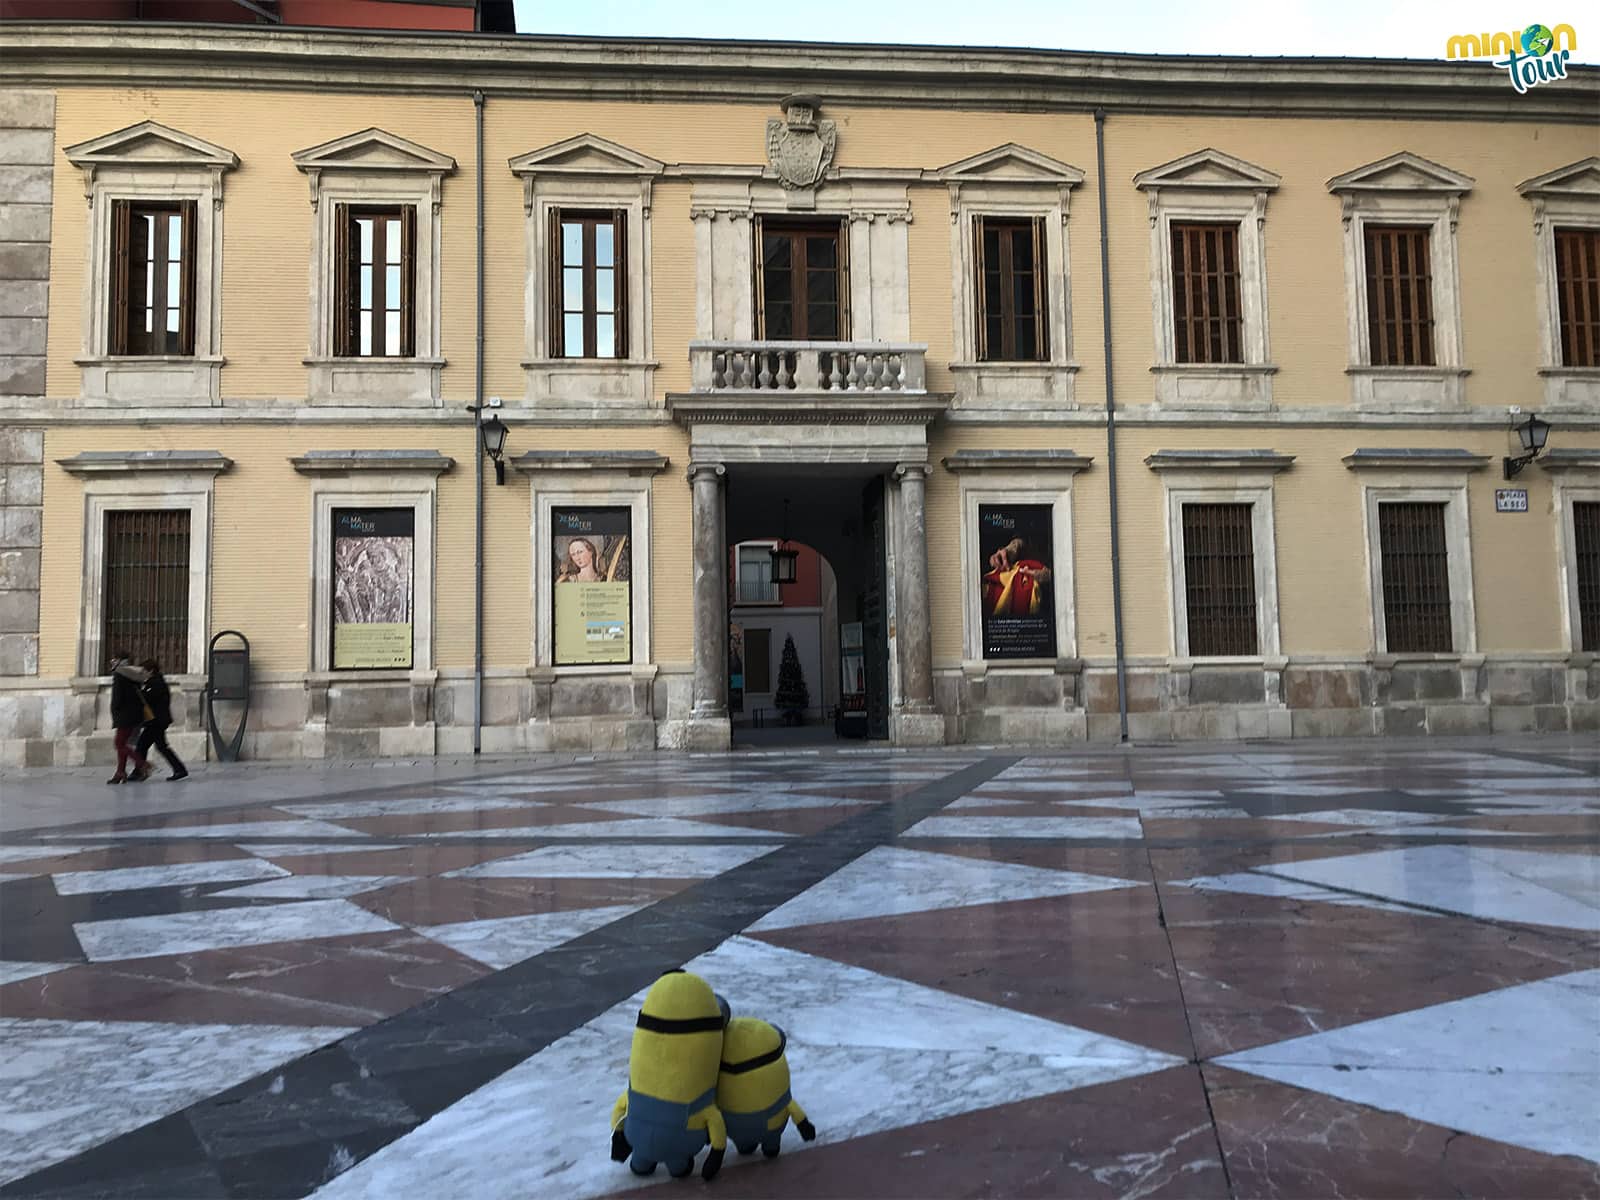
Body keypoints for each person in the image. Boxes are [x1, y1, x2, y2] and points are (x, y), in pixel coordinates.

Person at [136, 658, 188, 782]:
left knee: (143, 746)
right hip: (155, 721)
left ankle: (139, 772)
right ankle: (179, 769)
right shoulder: (152, 682)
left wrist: (139, 692)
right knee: (157, 746)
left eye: (144, 671)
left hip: (156, 721)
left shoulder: (156, 683)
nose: (142, 674)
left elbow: (148, 699)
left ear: (151, 671)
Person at [106, 651, 151, 784]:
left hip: (124, 715)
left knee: (119, 743)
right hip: (135, 714)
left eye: (115, 658)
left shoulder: (119, 674)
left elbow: (117, 698)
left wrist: (114, 711)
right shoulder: (132, 674)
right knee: (123, 744)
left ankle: (142, 764)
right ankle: (120, 773)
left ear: (120, 660)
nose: (112, 661)